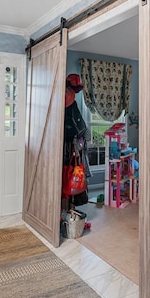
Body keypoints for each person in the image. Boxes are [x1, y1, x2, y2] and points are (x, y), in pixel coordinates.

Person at [63, 74, 90, 206]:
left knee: (70, 171)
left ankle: (70, 200)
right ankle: (70, 199)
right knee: (71, 171)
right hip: (70, 143)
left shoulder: (70, 103)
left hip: (71, 143)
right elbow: (80, 126)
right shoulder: (70, 102)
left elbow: (80, 126)